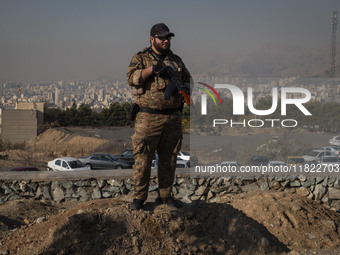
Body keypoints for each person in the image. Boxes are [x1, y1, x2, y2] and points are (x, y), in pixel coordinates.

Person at [126, 23, 192, 210]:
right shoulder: (141, 58)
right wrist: (152, 70)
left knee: (169, 159)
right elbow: (131, 77)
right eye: (161, 37)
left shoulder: (176, 60)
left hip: (172, 117)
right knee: (143, 160)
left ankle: (165, 196)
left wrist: (184, 91)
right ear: (152, 39)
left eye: (168, 38)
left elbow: (187, 80)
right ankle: (139, 199)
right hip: (148, 118)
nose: (165, 40)